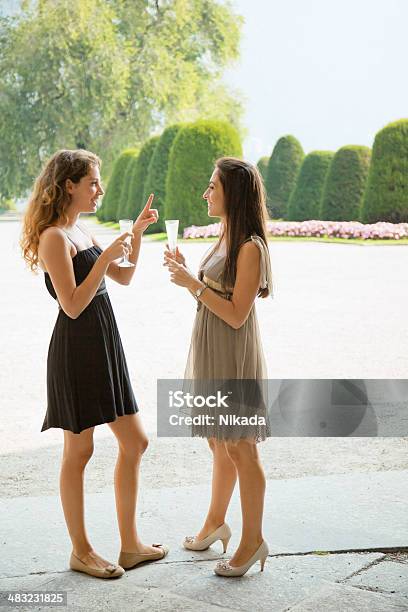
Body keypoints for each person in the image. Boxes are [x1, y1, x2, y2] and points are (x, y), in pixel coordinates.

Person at [21, 149, 168, 579]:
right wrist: (104, 259)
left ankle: (130, 545)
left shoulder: (79, 230)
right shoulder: (54, 237)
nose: (99, 189)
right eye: (93, 183)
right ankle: (81, 551)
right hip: (76, 349)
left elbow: (123, 277)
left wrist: (137, 233)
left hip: (104, 343)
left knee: (135, 442)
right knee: (79, 450)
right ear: (69, 185)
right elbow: (70, 305)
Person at [164, 156, 273, 577]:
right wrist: (187, 271)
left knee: (241, 446)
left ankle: (253, 540)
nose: (206, 193)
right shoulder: (226, 235)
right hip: (213, 349)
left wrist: (191, 283)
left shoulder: (250, 246)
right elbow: (214, 290)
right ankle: (216, 523)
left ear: (233, 193)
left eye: (213, 186)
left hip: (233, 353)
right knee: (218, 440)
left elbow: (236, 314)